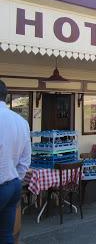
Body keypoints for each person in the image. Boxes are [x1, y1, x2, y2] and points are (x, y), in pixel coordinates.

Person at [0, 80, 31, 244]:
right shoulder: (21, 121)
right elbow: (26, 160)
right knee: (6, 234)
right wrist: (15, 177)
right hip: (13, 185)